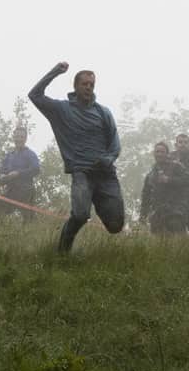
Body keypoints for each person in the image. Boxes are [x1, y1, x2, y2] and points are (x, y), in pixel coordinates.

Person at [29, 61, 124, 252]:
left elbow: (115, 142)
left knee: (115, 226)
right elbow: (35, 95)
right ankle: (62, 251)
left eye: (92, 85)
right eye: (85, 84)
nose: (88, 87)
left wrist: (108, 158)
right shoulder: (61, 110)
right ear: (76, 86)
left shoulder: (103, 112)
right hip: (82, 173)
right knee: (80, 215)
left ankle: (99, 201)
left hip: (106, 174)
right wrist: (55, 71)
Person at [140, 141, 189, 235]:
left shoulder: (177, 167)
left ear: (167, 154)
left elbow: (188, 181)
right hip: (157, 215)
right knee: (158, 247)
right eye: (157, 151)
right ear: (154, 154)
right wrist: (142, 216)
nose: (159, 154)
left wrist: (169, 180)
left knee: (179, 246)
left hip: (176, 213)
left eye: (162, 152)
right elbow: (145, 197)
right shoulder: (150, 175)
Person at [0, 125, 42, 222]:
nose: (19, 139)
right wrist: (2, 176)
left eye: (22, 137)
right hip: (10, 190)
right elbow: (1, 172)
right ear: (13, 137)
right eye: (17, 136)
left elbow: (36, 169)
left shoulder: (30, 154)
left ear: (25, 139)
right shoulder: (9, 156)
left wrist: (19, 173)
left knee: (28, 220)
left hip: (26, 191)